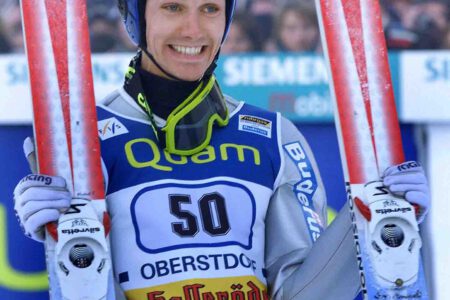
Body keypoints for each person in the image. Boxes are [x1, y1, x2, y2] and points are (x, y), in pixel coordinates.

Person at [13, 0, 430, 299]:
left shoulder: (272, 136)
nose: (194, 30)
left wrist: (377, 222)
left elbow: (302, 290)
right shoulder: (86, 142)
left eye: (210, 9)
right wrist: (62, 237)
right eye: (173, 8)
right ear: (136, 19)